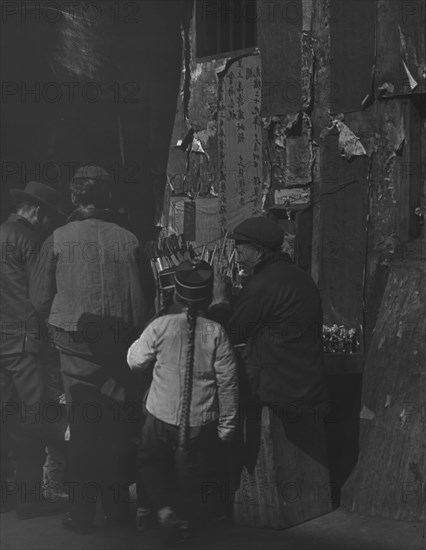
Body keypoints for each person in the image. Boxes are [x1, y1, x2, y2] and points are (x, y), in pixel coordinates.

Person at [30, 165, 153, 533]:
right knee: (115, 431)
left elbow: (38, 299)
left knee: (83, 430)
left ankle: (82, 515)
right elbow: (146, 298)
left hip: (75, 348)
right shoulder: (129, 240)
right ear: (109, 198)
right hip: (119, 348)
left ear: (73, 197)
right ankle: (117, 512)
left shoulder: (57, 239)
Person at [127, 259, 239, 546]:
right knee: (189, 472)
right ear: (207, 297)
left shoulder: (160, 326)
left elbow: (135, 361)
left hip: (159, 415)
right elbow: (228, 383)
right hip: (198, 422)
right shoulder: (217, 333)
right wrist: (226, 426)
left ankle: (161, 509)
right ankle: (185, 521)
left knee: (150, 460)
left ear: (176, 294)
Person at [210, 215, 327, 420]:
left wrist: (220, 301)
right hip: (305, 382)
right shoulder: (299, 276)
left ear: (259, 252)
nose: (237, 258)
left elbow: (232, 333)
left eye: (240, 251)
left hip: (281, 388)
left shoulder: (263, 284)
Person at [0, 181, 62, 519]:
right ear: (37, 212)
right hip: (24, 344)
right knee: (31, 420)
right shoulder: (32, 241)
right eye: (50, 218)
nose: (50, 224)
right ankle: (27, 499)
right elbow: (41, 297)